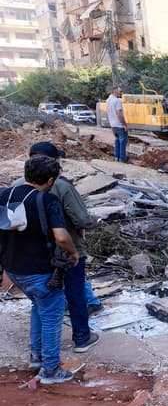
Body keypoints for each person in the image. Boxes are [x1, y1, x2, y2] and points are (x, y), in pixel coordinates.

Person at [13, 141, 102, 355]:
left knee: (42, 302)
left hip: (33, 254)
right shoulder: (61, 186)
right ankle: (81, 337)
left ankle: (39, 348)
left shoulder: (16, 186)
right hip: (66, 251)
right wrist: (94, 221)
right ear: (54, 163)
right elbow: (81, 219)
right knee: (75, 293)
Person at [0, 156, 81, 383]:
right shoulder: (47, 200)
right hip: (40, 270)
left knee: (38, 307)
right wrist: (74, 254)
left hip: (13, 268)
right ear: (50, 179)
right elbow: (62, 237)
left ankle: (36, 356)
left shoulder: (4, 195)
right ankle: (51, 369)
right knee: (52, 316)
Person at [106, 85, 129, 163]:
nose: (121, 93)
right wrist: (125, 125)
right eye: (120, 91)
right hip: (119, 125)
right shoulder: (117, 101)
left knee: (117, 141)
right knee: (123, 141)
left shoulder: (108, 100)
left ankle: (117, 157)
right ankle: (122, 158)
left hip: (113, 125)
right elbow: (119, 114)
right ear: (115, 91)